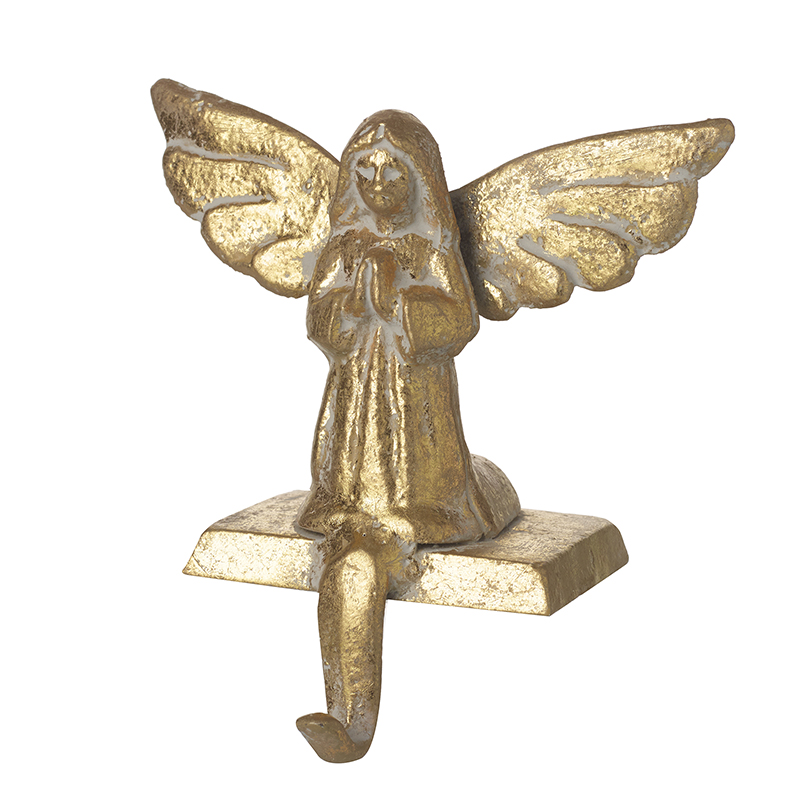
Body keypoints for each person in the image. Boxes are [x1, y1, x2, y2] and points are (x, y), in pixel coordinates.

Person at [295, 110, 520, 761]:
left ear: (419, 177)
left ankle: (429, 502)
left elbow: (458, 321)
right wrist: (349, 306)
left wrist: (397, 299)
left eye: (393, 170)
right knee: (351, 528)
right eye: (364, 170)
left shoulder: (430, 250)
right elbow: (319, 320)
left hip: (416, 404)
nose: (377, 182)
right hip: (354, 404)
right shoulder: (344, 247)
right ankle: (349, 716)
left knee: (386, 525)